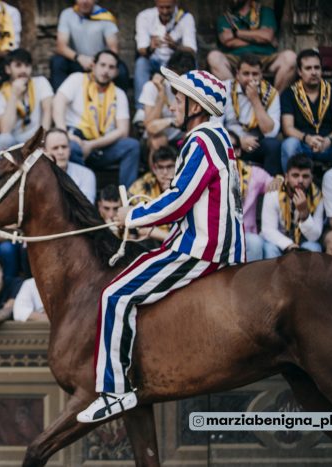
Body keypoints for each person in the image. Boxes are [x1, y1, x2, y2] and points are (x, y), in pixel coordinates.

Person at [77, 67, 244, 423]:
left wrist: (130, 217)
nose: (172, 103)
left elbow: (178, 201)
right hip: (211, 244)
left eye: (179, 98)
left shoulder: (201, 141)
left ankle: (115, 392)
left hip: (202, 249)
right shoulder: (217, 138)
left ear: (195, 107)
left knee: (115, 295)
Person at [53, 50, 140, 187]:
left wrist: (92, 145)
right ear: (93, 65)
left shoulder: (119, 94)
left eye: (111, 67)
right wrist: (65, 135)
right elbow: (58, 101)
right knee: (72, 148)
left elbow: (123, 131)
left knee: (132, 146)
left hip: (102, 146)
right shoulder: (77, 79)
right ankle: (79, 195)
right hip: (76, 139)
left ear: (116, 72)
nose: (106, 70)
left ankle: (128, 198)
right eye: (102, 65)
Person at [280, 49, 332, 173]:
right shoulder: (289, 94)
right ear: (300, 72)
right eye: (308, 68)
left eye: (317, 68)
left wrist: (328, 140)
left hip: (329, 145)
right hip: (303, 145)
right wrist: (307, 139)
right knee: (289, 145)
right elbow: (287, 128)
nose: (314, 72)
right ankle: (291, 187)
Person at [207, 0, 296, 92]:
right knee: (214, 57)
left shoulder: (265, 12)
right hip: (235, 58)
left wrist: (235, 33)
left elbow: (266, 36)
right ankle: (234, 98)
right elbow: (227, 41)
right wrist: (259, 39)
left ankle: (275, 100)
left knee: (290, 57)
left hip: (265, 58)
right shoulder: (224, 18)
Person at [50, 0, 130, 91]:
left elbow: (113, 49)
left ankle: (119, 102)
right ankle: (59, 100)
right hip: (76, 60)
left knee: (121, 70)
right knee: (57, 61)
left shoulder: (104, 15)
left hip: (99, 62)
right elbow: (61, 46)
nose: (85, 1)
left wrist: (99, 63)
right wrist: (79, 58)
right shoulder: (67, 14)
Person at [223, 54, 282, 175]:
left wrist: (255, 100)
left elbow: (271, 132)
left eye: (255, 74)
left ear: (261, 75)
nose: (250, 79)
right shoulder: (223, 89)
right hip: (230, 141)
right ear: (237, 74)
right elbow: (216, 124)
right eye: (246, 74)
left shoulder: (270, 93)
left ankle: (270, 189)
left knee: (273, 145)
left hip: (256, 143)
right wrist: (239, 140)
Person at [134, 0, 197, 111]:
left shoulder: (185, 18)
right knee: (141, 63)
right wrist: (151, 47)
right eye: (161, 7)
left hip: (175, 62)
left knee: (191, 62)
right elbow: (141, 49)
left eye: (168, 7)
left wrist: (176, 46)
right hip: (154, 61)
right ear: (156, 4)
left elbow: (191, 50)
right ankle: (141, 110)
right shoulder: (144, 16)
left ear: (176, 4)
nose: (165, 11)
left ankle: (189, 106)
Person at [260, 154, 324, 258]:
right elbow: (268, 230)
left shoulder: (317, 197)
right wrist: (289, 245)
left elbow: (314, 236)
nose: (300, 181)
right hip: (278, 241)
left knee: (314, 248)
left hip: (303, 241)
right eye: (295, 175)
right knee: (269, 248)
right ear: (286, 176)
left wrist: (304, 214)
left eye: (305, 176)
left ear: (311, 178)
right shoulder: (274, 192)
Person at [0, 49, 54, 153]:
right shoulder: (0, 95)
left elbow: (48, 112)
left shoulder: (40, 82)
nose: (24, 70)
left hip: (37, 140)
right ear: (8, 69)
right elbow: (4, 130)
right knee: (2, 139)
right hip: (14, 143)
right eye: (18, 65)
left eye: (27, 65)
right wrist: (14, 95)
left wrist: (41, 140)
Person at [228, 130, 272, 261]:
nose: (226, 152)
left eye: (232, 148)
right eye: (222, 148)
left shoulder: (254, 173)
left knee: (255, 242)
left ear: (238, 151)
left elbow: (277, 184)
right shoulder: (207, 174)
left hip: (245, 233)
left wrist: (280, 179)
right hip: (216, 234)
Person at [140, 50, 194, 154]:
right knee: (158, 140)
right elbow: (149, 127)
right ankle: (159, 170)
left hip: (180, 136)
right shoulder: (152, 87)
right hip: (155, 137)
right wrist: (161, 95)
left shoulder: (192, 92)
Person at [127, 146, 177, 245]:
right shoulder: (140, 187)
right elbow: (141, 228)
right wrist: (172, 240)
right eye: (161, 167)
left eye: (170, 167)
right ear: (154, 168)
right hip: (156, 238)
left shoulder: (184, 183)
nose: (165, 172)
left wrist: (170, 193)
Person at [44, 129, 97, 204]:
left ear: (70, 149)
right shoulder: (37, 177)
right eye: (55, 148)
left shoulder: (86, 175)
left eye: (64, 147)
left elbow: (86, 208)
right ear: (45, 151)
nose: (61, 152)